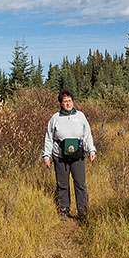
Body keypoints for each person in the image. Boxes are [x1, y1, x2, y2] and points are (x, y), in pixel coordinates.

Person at [42, 89, 97, 222]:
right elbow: (49, 138)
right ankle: (64, 209)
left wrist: (91, 150)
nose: (68, 103)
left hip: (78, 155)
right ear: (61, 103)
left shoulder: (81, 116)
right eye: (65, 101)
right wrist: (46, 156)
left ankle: (83, 212)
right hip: (59, 156)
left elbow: (87, 135)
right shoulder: (55, 118)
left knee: (80, 183)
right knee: (63, 184)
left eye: (69, 100)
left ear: (73, 101)